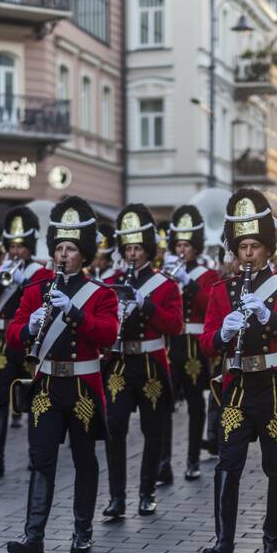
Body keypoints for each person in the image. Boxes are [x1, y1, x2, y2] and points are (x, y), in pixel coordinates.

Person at [198, 188, 277, 553]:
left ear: (268, 249)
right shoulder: (222, 291)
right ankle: (224, 543)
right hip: (238, 387)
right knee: (227, 463)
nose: (248, 253)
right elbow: (206, 342)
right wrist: (223, 334)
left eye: (255, 246)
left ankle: (272, 537)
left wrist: (270, 319)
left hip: (276, 387)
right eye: (242, 246)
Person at [4, 197, 119, 553]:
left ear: (83, 254)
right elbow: (12, 333)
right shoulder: (36, 291)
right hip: (48, 387)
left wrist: (75, 315)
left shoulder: (102, 294)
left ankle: (82, 530)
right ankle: (33, 537)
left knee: (85, 459)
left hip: (83, 387)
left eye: (70, 249)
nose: (62, 255)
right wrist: (29, 327)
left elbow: (108, 334)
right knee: (41, 459)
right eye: (58, 248)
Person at [102, 203, 182, 518]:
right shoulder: (113, 281)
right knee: (115, 425)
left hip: (150, 362)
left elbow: (174, 325)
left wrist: (145, 306)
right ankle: (117, 497)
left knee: (152, 429)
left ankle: (147, 492)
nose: (133, 254)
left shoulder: (164, 284)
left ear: (148, 249)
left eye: (138, 248)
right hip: (121, 362)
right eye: (129, 248)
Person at [0, 207, 47, 477]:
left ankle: (35, 456)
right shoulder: (0, 270)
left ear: (30, 247)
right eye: (12, 246)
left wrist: (23, 282)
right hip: (3, 340)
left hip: (28, 340)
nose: (15, 252)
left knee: (33, 399)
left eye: (20, 247)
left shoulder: (41, 273)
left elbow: (43, 304)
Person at [158, 204, 218, 485]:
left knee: (196, 403)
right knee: (165, 404)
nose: (182, 250)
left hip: (194, 344)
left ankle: (193, 459)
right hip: (172, 344)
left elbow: (210, 306)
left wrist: (188, 284)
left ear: (196, 247)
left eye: (187, 245)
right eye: (178, 244)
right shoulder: (166, 273)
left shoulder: (206, 275)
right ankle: (163, 463)